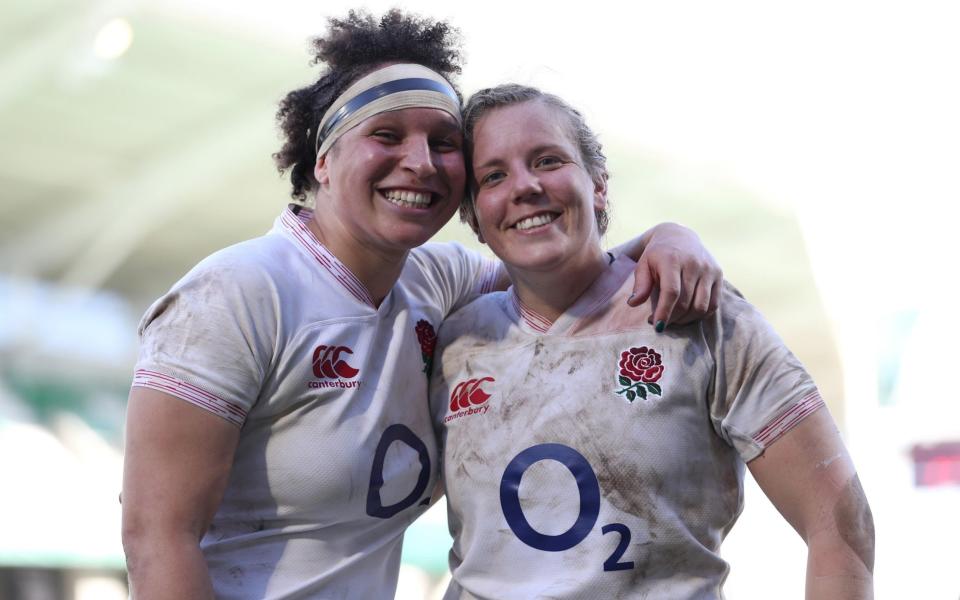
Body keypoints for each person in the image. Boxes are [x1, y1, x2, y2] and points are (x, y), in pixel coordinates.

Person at [119, 11, 724, 600]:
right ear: (323, 161)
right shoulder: (237, 292)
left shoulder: (440, 280)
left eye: (443, 143)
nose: (421, 162)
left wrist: (667, 237)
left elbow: (565, 263)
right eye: (387, 135)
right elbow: (156, 538)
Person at [431, 84, 875, 599]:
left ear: (598, 184)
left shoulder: (697, 311)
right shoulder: (453, 343)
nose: (525, 186)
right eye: (494, 176)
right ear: (475, 218)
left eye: (548, 160)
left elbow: (840, 521)